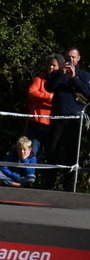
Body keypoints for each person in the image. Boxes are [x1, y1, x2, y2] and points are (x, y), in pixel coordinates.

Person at [46, 46, 90, 191]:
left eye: (73, 57)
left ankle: (69, 186)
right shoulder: (58, 74)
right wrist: (60, 75)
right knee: (53, 151)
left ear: (78, 58)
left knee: (72, 154)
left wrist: (74, 78)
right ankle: (49, 184)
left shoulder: (84, 76)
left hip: (75, 119)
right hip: (58, 117)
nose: (70, 59)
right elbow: (49, 88)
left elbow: (88, 93)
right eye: (68, 57)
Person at [26, 54, 62, 161]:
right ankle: (28, 176)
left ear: (60, 67)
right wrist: (49, 97)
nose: (51, 67)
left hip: (53, 125)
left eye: (54, 65)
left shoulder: (63, 82)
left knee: (51, 156)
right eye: (50, 65)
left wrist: (41, 97)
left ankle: (49, 178)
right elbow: (31, 92)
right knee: (31, 154)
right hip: (36, 124)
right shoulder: (39, 79)